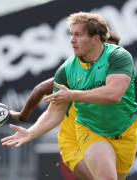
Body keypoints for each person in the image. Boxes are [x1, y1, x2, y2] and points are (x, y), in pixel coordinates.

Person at [1, 11, 137, 180]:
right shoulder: (67, 69)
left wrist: (72, 95)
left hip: (125, 131)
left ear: (96, 38)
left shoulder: (119, 57)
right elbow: (54, 111)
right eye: (71, 34)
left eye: (78, 35)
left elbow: (113, 94)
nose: (72, 40)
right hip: (90, 130)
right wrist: (31, 132)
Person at [10, 32, 121, 180]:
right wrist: (23, 115)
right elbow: (41, 89)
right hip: (73, 143)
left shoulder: (118, 77)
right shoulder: (73, 73)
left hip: (103, 140)